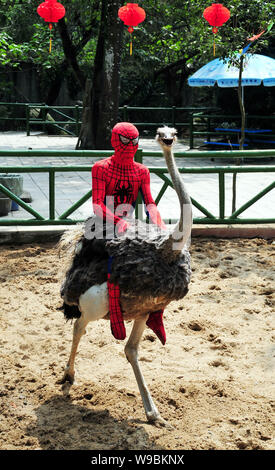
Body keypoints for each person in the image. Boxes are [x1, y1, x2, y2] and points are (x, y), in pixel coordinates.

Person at [91, 122, 167, 344]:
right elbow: (97, 205)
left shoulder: (141, 171)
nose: (131, 146)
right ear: (116, 141)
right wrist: (116, 221)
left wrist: (160, 224)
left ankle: (157, 314)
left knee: (160, 258)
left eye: (135, 141)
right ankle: (115, 310)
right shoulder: (101, 168)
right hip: (104, 222)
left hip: (130, 223)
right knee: (115, 259)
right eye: (126, 141)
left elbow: (150, 203)